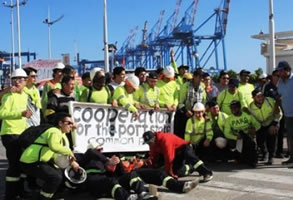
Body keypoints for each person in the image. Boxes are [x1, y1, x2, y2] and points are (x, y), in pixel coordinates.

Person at [20, 113, 79, 200]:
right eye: (69, 123)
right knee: (55, 177)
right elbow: (54, 146)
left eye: (72, 123)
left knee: (58, 174)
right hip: (31, 162)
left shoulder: (61, 133)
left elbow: (60, 148)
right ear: (60, 123)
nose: (71, 125)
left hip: (39, 161)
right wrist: (69, 152)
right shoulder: (54, 131)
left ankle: (48, 195)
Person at [74, 146, 158, 200]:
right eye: (99, 149)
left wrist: (118, 163)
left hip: (106, 180)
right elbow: (90, 152)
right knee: (110, 181)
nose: (101, 151)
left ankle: (143, 193)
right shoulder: (84, 158)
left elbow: (122, 174)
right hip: (94, 181)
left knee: (131, 175)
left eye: (101, 150)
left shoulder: (104, 158)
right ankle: (127, 197)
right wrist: (108, 161)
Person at [0, 68, 32, 200]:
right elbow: (2, 114)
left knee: (22, 164)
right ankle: (10, 194)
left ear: (26, 81)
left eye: (20, 80)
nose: (17, 82)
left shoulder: (25, 95)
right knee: (14, 165)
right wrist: (20, 114)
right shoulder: (9, 96)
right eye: (15, 80)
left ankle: (20, 190)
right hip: (9, 134)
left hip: (21, 133)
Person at [142, 130, 213, 182]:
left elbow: (169, 158)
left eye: (150, 142)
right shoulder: (152, 144)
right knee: (177, 171)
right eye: (147, 143)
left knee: (190, 156)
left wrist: (169, 175)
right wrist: (150, 170)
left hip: (184, 147)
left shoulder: (165, 139)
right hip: (176, 154)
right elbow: (153, 157)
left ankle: (206, 173)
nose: (149, 144)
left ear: (154, 138)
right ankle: (192, 168)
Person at [248, 88, 282, 165]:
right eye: (258, 96)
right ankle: (264, 153)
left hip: (273, 121)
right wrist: (255, 128)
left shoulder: (270, 101)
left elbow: (279, 113)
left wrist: (274, 124)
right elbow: (252, 119)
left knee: (272, 135)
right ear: (253, 98)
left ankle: (271, 157)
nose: (261, 98)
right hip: (260, 124)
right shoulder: (251, 107)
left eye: (262, 96)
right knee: (260, 141)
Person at [224, 100, 261, 167]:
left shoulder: (248, 115)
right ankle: (238, 157)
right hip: (238, 138)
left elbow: (258, 125)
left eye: (235, 108)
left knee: (251, 143)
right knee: (231, 142)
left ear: (239, 107)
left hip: (249, 135)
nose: (233, 109)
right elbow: (226, 133)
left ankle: (252, 160)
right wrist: (235, 137)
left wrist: (254, 129)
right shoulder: (229, 119)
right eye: (231, 108)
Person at [175, 71, 206, 138]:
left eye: (202, 78)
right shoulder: (185, 86)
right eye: (199, 77)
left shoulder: (202, 87)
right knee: (184, 133)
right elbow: (180, 102)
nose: (201, 79)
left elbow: (204, 101)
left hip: (198, 114)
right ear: (194, 77)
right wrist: (186, 111)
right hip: (186, 114)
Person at [276, 61, 293, 164]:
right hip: (287, 114)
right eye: (279, 71)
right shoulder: (280, 83)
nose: (279, 73)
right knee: (290, 137)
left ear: (288, 70)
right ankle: (292, 158)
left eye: (281, 71)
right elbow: (279, 96)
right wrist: (277, 107)